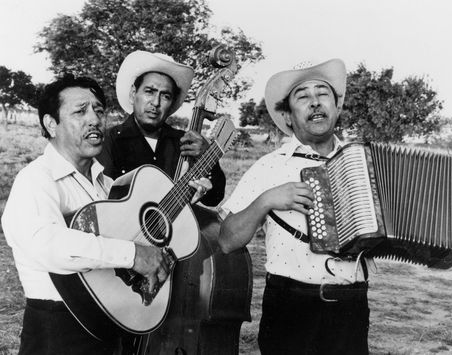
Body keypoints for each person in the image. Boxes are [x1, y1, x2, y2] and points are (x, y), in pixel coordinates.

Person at [0, 75, 181, 355]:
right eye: (80, 111)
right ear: (51, 124)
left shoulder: (107, 185)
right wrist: (134, 254)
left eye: (98, 110)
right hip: (58, 333)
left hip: (108, 331)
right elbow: (48, 246)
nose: (94, 119)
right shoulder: (36, 179)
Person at [218, 59, 372, 355]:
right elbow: (226, 240)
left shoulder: (364, 163)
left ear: (337, 107)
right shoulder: (269, 166)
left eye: (323, 94)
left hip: (351, 305)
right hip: (291, 306)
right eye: (302, 97)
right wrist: (266, 201)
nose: (315, 103)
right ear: (288, 116)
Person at [98, 50, 226, 206]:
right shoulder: (109, 140)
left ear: (172, 102)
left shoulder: (185, 142)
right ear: (133, 94)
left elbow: (214, 199)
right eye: (149, 92)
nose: (156, 103)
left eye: (165, 96)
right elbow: (104, 201)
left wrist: (208, 158)